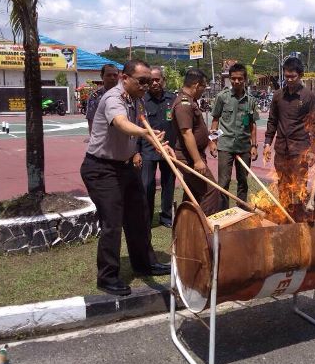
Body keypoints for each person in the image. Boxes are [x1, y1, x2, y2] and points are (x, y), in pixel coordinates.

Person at [80, 59, 170, 296]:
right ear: (125, 79)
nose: (146, 86)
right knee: (113, 220)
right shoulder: (113, 98)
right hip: (101, 168)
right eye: (142, 81)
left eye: (149, 81)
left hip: (125, 166)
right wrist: (145, 133)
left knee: (139, 215)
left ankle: (144, 264)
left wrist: (159, 143)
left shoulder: (137, 99)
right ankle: (107, 276)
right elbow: (121, 124)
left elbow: (143, 125)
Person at [263, 58, 315, 206]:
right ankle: (284, 217)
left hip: (300, 150)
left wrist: (312, 150)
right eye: (286, 76)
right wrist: (267, 144)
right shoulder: (278, 95)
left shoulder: (309, 96)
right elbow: (272, 121)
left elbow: (313, 126)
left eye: (292, 76)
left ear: (300, 75)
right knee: (283, 186)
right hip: (281, 150)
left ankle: (298, 220)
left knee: (299, 187)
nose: (289, 80)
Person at [209, 63, 259, 210]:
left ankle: (241, 209)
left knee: (243, 181)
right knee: (223, 182)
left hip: (244, 147)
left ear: (245, 80)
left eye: (240, 79)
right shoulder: (222, 97)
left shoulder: (250, 101)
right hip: (225, 146)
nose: (236, 81)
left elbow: (252, 125)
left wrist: (254, 145)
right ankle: (223, 212)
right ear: (230, 79)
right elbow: (215, 120)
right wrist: (213, 141)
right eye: (233, 78)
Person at [172, 69, 221, 215]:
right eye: (203, 87)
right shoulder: (184, 104)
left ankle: (186, 231)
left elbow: (193, 130)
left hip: (193, 156)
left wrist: (207, 135)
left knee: (192, 195)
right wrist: (197, 160)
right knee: (211, 192)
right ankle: (205, 231)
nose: (203, 90)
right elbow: (186, 133)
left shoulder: (190, 102)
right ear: (196, 85)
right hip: (189, 158)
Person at [136, 67, 176, 228]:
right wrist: (136, 152)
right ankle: (146, 217)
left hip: (168, 149)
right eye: (151, 80)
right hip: (147, 149)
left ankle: (166, 216)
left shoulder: (172, 99)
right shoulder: (141, 101)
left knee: (169, 184)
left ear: (163, 80)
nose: (154, 83)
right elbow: (136, 127)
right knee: (147, 185)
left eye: (157, 79)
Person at [86, 63, 119, 135]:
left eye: (115, 75)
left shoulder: (126, 95)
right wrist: (92, 137)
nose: (112, 78)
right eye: (109, 75)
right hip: (103, 138)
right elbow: (91, 119)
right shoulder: (95, 97)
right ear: (102, 76)